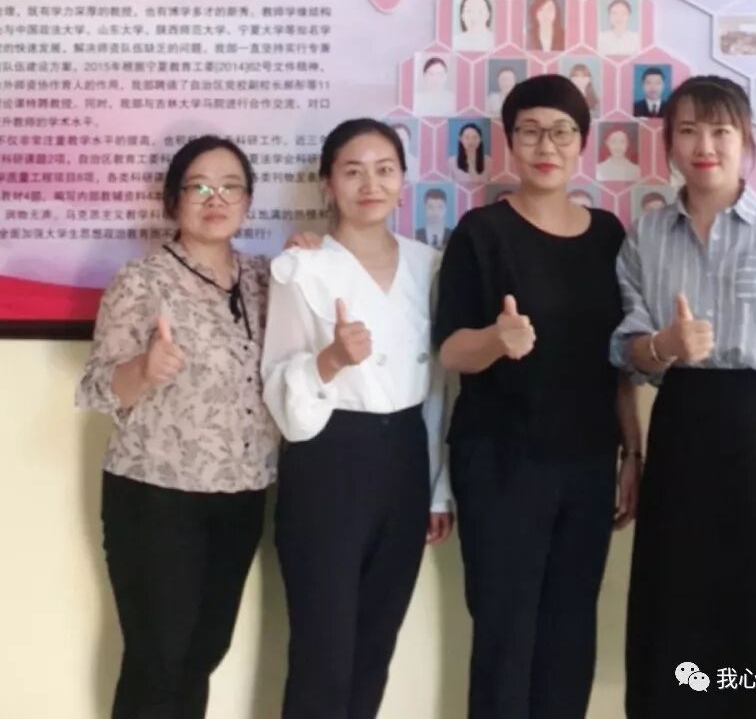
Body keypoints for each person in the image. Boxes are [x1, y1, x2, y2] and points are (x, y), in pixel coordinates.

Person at [611, 75, 756, 719]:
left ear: (745, 142)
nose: (705, 146)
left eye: (720, 131)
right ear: (669, 143)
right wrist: (663, 344)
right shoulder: (646, 236)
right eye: (688, 131)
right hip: (682, 445)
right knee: (681, 609)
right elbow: (626, 352)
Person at [434, 73, 642, 719]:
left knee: (570, 632)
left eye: (561, 131)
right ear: (509, 141)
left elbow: (620, 360)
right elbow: (450, 350)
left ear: (582, 141)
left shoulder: (609, 235)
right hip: (501, 461)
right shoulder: (481, 231)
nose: (545, 145)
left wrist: (632, 453)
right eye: (529, 131)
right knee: (506, 634)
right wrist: (496, 340)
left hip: (587, 462)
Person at [76, 135, 280, 719]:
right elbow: (97, 386)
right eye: (199, 186)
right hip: (156, 496)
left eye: (231, 187)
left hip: (241, 493)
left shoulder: (267, 279)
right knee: (158, 659)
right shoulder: (142, 281)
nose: (216, 198)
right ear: (174, 199)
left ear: (248, 201)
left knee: (202, 653)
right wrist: (144, 368)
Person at [261, 118, 454, 719]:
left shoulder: (430, 266)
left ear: (403, 180)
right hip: (328, 461)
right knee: (323, 652)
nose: (370, 184)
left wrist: (437, 490)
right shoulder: (301, 268)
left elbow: (439, 387)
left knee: (376, 645)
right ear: (327, 185)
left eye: (384, 170)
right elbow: (277, 386)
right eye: (352, 171)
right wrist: (331, 360)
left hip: (404, 460)